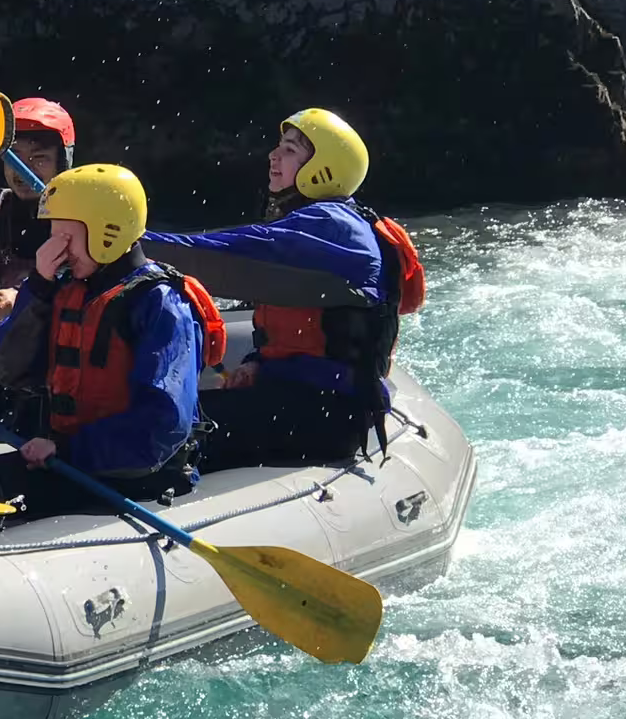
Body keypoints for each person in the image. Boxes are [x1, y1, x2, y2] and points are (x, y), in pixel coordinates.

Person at [144, 109, 425, 466]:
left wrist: (129, 246)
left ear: (324, 168)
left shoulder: (330, 225)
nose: (274, 156)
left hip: (323, 411)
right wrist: (257, 363)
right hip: (307, 399)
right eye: (280, 147)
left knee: (158, 433)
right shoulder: (322, 221)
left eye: (291, 150)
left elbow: (221, 257)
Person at [0, 164, 226, 512]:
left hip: (136, 478)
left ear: (107, 231)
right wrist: (37, 285)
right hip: (73, 462)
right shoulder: (66, 290)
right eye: (52, 235)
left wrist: (69, 451)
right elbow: (6, 368)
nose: (57, 248)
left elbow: (163, 425)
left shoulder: (161, 303)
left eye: (65, 236)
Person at [0, 98, 75, 423]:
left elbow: (90, 289)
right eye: (16, 158)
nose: (25, 170)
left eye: (40, 159)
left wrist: (22, 300)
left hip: (60, 371)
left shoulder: (81, 219)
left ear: (62, 163)